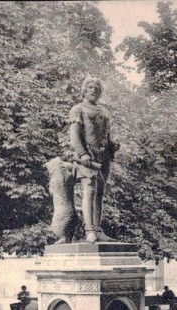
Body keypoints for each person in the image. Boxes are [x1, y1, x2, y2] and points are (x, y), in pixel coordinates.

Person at [69, 75, 119, 243]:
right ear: (84, 89)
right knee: (89, 190)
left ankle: (97, 230)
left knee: (100, 193)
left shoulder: (104, 112)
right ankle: (89, 230)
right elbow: (74, 134)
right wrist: (82, 153)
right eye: (90, 87)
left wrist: (113, 145)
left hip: (104, 157)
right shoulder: (78, 109)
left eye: (97, 88)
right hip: (87, 156)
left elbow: (106, 134)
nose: (94, 90)